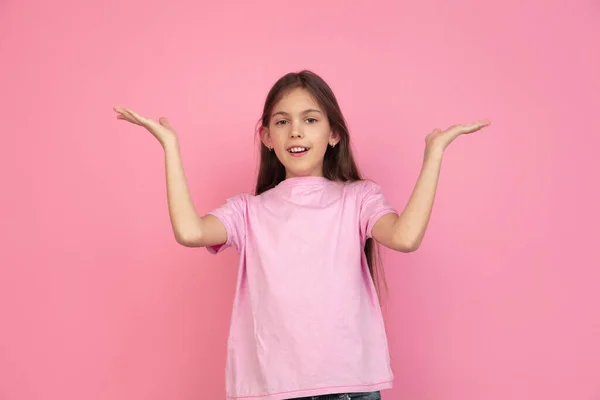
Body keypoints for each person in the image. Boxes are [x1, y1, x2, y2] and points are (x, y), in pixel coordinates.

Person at [113, 70, 490, 400]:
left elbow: (405, 237)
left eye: (310, 120)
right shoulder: (248, 211)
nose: (295, 130)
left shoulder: (357, 198)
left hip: (348, 386)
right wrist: (170, 146)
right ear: (266, 137)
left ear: (333, 134)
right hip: (269, 389)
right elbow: (190, 231)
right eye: (282, 122)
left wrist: (434, 153)